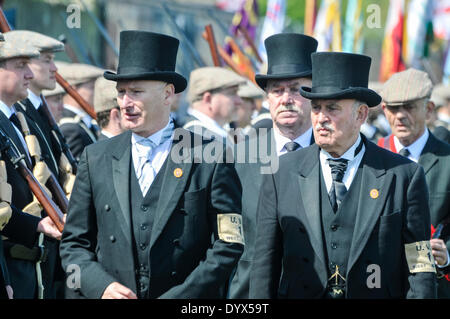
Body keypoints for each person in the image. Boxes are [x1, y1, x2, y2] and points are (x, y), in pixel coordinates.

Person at [60, 30, 244, 299]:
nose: (125, 103)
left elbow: (229, 243)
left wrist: (182, 296)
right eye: (121, 92)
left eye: (136, 92)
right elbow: (74, 244)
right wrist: (101, 286)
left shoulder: (210, 156)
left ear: (168, 94)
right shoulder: (96, 157)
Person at [250, 52, 437, 299]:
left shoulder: (403, 175)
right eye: (316, 108)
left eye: (332, 108)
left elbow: (419, 265)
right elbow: (265, 262)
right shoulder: (281, 172)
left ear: (360, 114)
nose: (321, 118)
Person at [228, 33, 317, 299]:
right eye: (277, 90)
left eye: (296, 89)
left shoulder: (333, 157)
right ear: (267, 99)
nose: (286, 98)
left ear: (314, 93)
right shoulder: (236, 159)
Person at [3, 30, 70, 299]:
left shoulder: (16, 120)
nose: (29, 74)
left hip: (30, 261)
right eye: (20, 66)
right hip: (11, 262)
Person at [378, 68, 450, 298]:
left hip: (433, 282)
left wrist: (447, 254)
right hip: (377, 281)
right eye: (393, 108)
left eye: (408, 107)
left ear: (428, 110)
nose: (399, 115)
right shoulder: (370, 156)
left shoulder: (447, 160)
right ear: (383, 110)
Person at [183, 66, 245, 141]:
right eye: (232, 93)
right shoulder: (198, 138)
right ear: (208, 99)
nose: (239, 101)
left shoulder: (208, 135)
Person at [57, 61, 103, 160]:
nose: (97, 92)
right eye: (92, 88)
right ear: (73, 89)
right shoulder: (70, 127)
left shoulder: (85, 120)